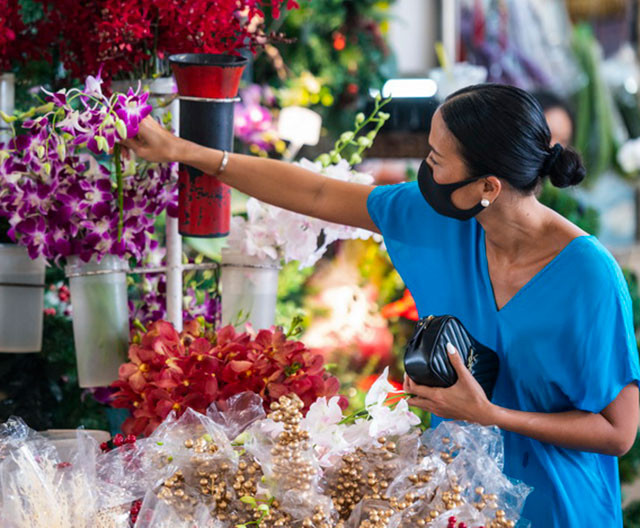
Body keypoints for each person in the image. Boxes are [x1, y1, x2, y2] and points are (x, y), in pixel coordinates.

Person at [127, 83, 640, 526]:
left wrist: (491, 415)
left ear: (487, 187)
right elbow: (321, 195)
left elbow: (619, 432)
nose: (425, 169)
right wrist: (187, 152)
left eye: (437, 160)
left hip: (561, 511)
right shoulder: (443, 219)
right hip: (460, 506)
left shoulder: (588, 277)